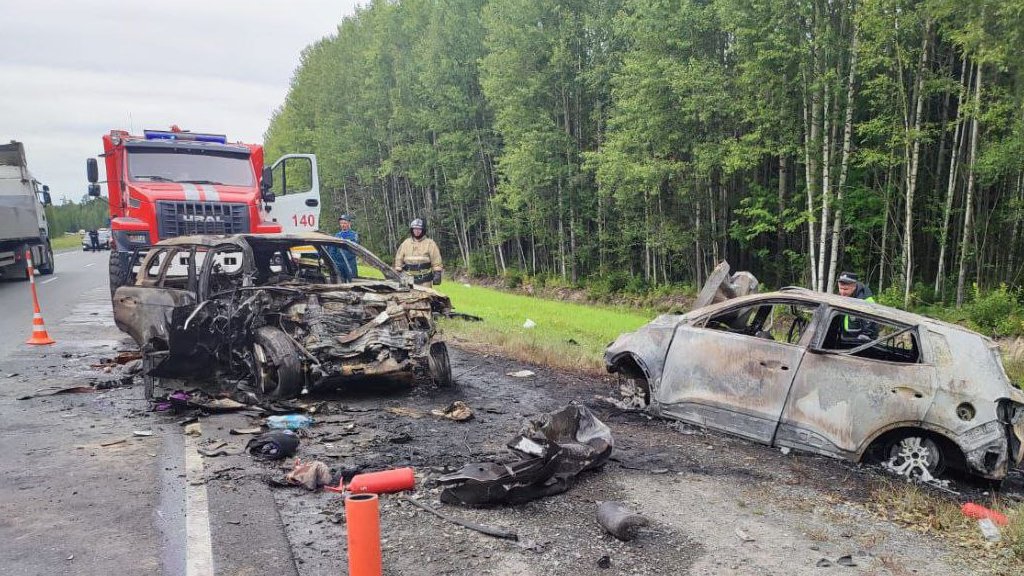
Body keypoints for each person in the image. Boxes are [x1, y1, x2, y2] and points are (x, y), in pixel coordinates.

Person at [394, 218, 443, 287]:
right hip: (407, 278)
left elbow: (436, 259)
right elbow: (399, 258)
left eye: (419, 229)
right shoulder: (405, 243)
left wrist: (437, 273)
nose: (417, 231)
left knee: (425, 297)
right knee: (406, 297)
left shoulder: (430, 243)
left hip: (425, 280)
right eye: (415, 229)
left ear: (423, 230)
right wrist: (398, 270)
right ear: (412, 230)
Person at [836, 271, 878, 341]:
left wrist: (865, 335)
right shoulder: (839, 297)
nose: (842, 292)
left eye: (846, 289)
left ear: (854, 286)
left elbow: (871, 322)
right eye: (841, 288)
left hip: (861, 340)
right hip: (844, 338)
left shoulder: (866, 299)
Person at [328, 214, 359, 282]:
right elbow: (333, 249)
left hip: (350, 263)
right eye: (341, 223)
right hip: (339, 263)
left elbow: (354, 249)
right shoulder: (337, 235)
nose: (343, 225)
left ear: (349, 223)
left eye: (345, 223)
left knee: (353, 282)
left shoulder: (353, 235)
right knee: (341, 282)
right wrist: (335, 260)